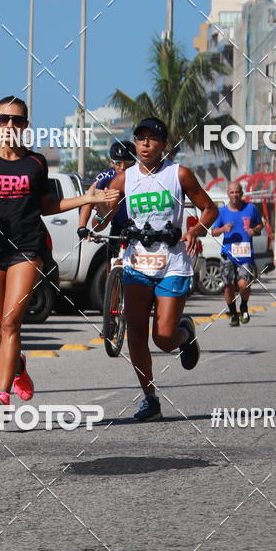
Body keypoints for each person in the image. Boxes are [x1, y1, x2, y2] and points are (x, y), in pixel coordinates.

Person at [0, 95, 119, 421]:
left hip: (26, 248)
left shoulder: (36, 163)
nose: (10, 125)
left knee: (12, 321)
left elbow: (45, 206)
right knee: (1, 324)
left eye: (17, 120)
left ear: (26, 126)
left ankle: (1, 395)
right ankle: (18, 366)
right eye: (4, 119)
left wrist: (86, 197)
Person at [102, 117, 218, 421]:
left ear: (164, 145)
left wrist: (195, 230)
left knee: (163, 339)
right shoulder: (125, 178)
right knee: (136, 334)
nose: (145, 144)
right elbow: (103, 214)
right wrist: (97, 209)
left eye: (152, 139)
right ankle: (150, 398)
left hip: (173, 264)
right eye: (140, 138)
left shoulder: (179, 174)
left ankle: (184, 334)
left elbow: (210, 208)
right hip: (137, 263)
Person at [211, 181, 263, 326]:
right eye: (232, 192)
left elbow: (260, 224)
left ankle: (244, 306)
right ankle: (233, 313)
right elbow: (213, 232)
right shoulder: (222, 212)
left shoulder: (251, 208)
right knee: (228, 286)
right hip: (228, 254)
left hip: (245, 255)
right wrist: (223, 229)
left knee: (244, 284)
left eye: (237, 192)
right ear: (228, 194)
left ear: (242, 193)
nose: (235, 195)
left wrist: (255, 230)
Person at [77, 140, 137, 265]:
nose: (123, 167)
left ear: (135, 162)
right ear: (111, 163)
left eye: (127, 163)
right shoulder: (105, 176)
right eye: (118, 163)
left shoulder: (141, 176)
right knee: (112, 266)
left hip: (138, 226)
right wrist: (82, 226)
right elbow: (88, 200)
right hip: (118, 226)